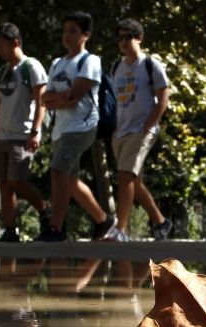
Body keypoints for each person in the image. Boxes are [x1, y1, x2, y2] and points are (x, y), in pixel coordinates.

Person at [36, 11, 116, 242]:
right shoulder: (57, 63)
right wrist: (57, 99)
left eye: (73, 31)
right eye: (65, 30)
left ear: (85, 35)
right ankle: (103, 220)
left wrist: (56, 99)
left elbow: (75, 94)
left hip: (82, 126)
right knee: (69, 180)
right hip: (60, 128)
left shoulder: (90, 61)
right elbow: (44, 98)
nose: (67, 35)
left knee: (57, 170)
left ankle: (55, 229)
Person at [104, 19, 173, 242]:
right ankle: (161, 222)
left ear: (139, 38)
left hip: (142, 130)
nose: (123, 42)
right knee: (134, 181)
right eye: (120, 37)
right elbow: (113, 100)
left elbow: (163, 99)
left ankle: (120, 230)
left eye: (128, 37)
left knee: (124, 175)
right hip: (120, 132)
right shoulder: (116, 67)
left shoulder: (151, 65)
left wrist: (148, 126)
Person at [0, 23, 50, 243]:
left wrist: (35, 131)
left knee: (18, 181)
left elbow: (42, 100)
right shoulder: (1, 73)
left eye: (2, 46)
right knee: (4, 183)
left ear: (15, 43)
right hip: (2, 136)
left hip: (22, 134)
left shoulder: (31, 67)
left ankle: (45, 211)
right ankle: (10, 229)